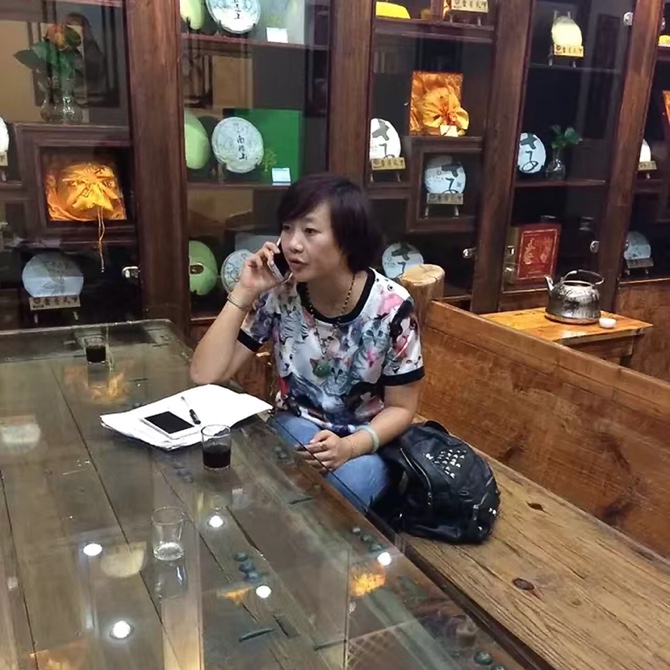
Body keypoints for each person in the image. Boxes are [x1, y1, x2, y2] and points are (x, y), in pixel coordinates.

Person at [190, 173, 424, 512]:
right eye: (287, 228)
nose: (292, 244)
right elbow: (205, 374)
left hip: (367, 442)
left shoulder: (392, 307)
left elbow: (401, 409)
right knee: (270, 469)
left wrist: (349, 447)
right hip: (296, 427)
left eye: (310, 231)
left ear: (348, 238)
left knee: (342, 489)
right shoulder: (280, 293)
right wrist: (245, 290)